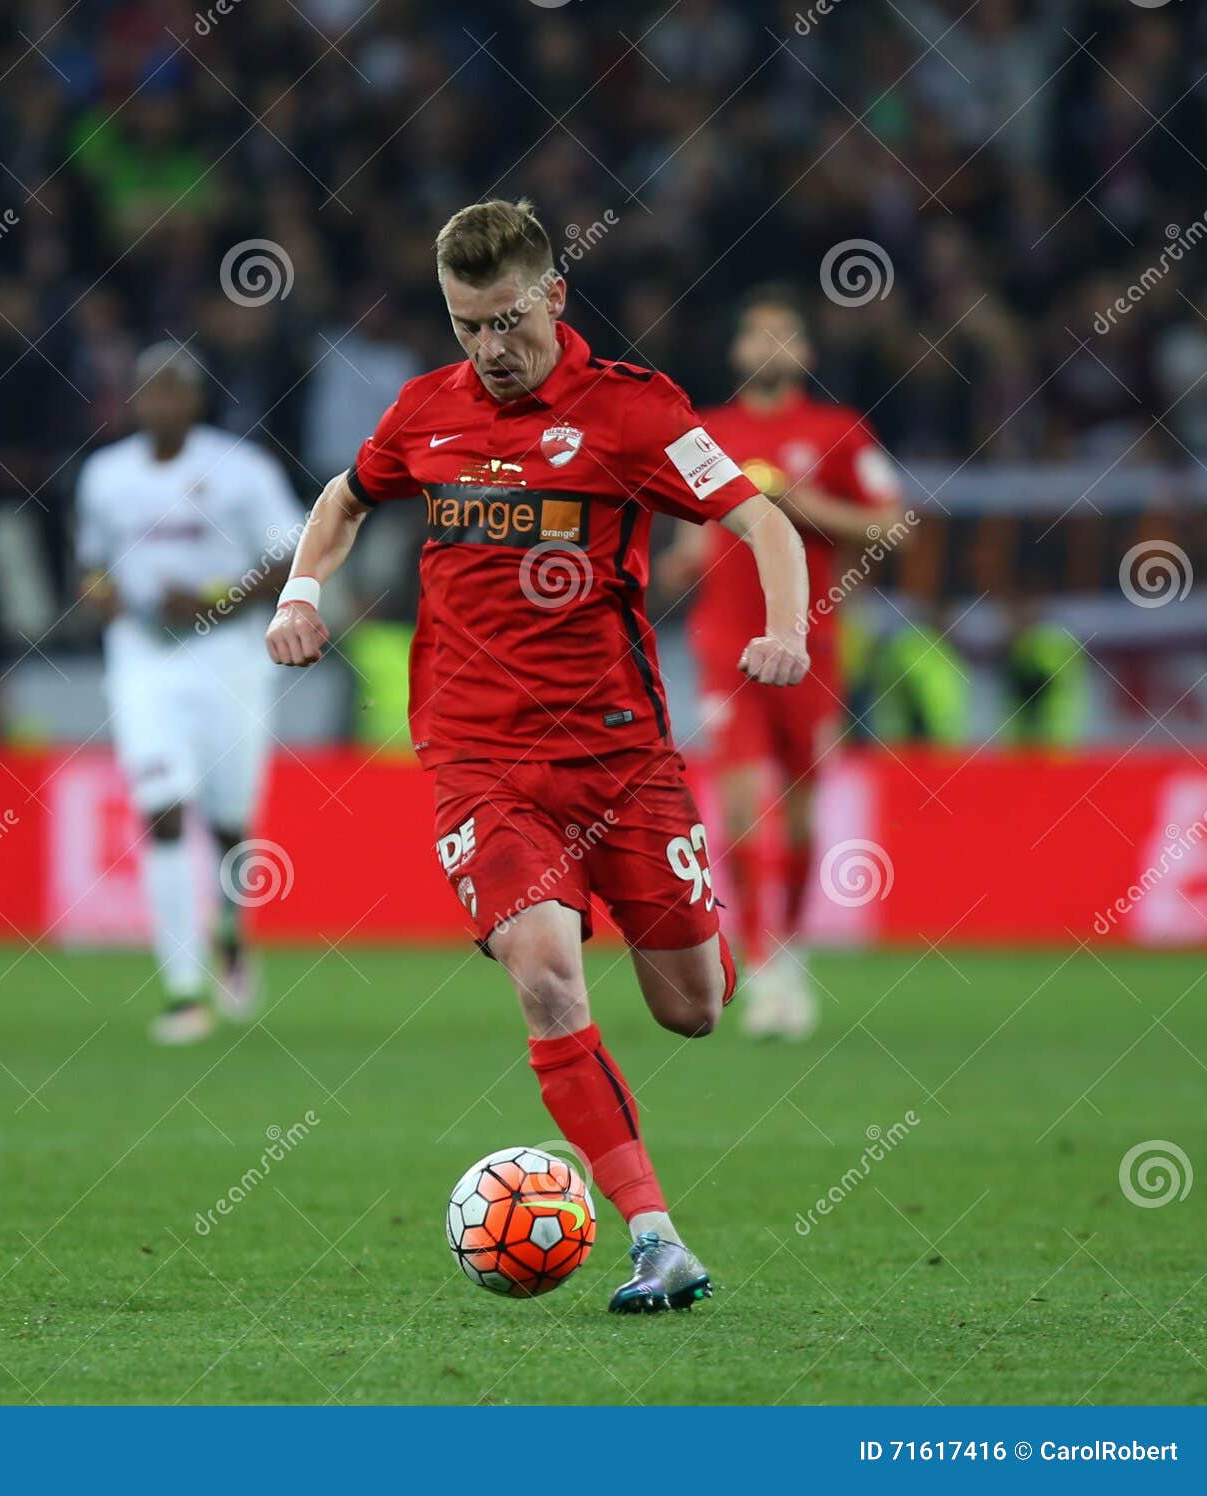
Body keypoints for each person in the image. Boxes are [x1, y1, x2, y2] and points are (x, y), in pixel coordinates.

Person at [266, 200, 811, 1314]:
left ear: (553, 296)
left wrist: (787, 629)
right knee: (548, 977)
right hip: (480, 761)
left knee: (692, 1006)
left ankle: (689, 936)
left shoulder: (631, 410)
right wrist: (299, 592)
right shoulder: (426, 411)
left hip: (620, 757)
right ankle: (655, 1236)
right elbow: (344, 498)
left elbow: (762, 523)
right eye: (466, 326)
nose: (489, 349)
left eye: (506, 321)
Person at [660, 288, 902, 1040]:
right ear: (737, 353)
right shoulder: (708, 432)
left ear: (804, 353)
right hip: (725, 644)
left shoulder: (839, 434)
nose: (767, 348)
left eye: (782, 336)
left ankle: (790, 948)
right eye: (755, 336)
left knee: (799, 812)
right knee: (733, 809)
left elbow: (894, 525)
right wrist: (683, 560)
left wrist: (804, 509)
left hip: (811, 645)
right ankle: (756, 958)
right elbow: (694, 533)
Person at [76, 341, 304, 1046]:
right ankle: (182, 991)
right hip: (145, 659)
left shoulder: (241, 471)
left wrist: (214, 596)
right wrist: (113, 604)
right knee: (162, 808)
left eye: (175, 390)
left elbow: (292, 551)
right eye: (150, 391)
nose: (162, 403)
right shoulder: (105, 476)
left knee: (230, 821)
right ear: (135, 399)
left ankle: (232, 933)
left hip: (228, 654)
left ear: (196, 400)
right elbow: (90, 571)